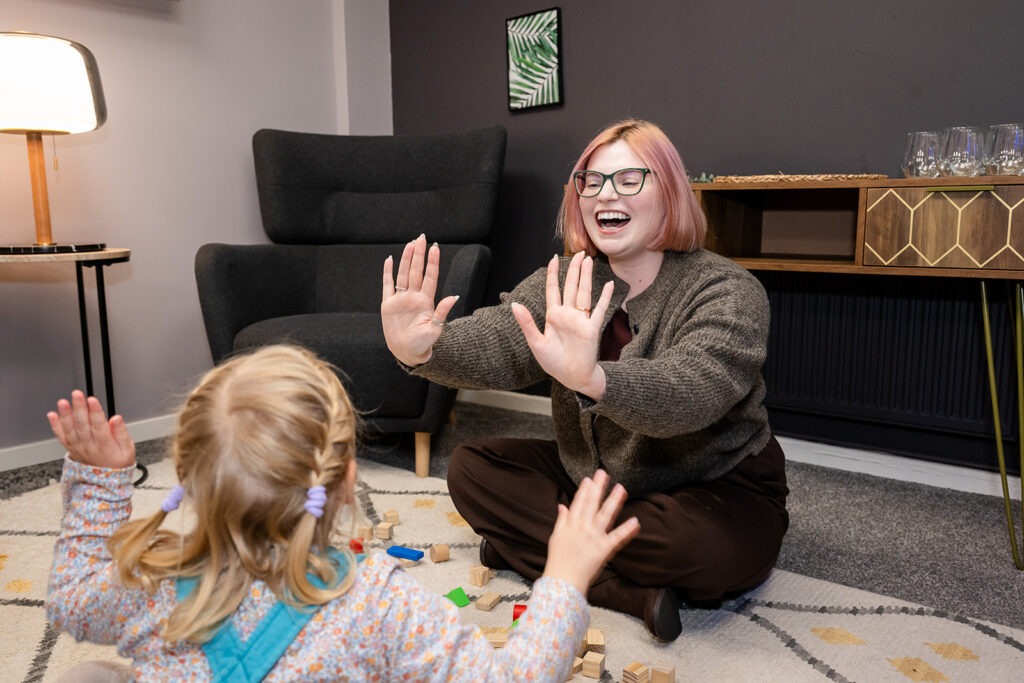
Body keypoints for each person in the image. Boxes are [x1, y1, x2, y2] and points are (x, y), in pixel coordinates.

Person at [380, 118, 790, 643]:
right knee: (470, 469)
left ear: (669, 193)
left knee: (705, 553)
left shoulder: (729, 290)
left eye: (627, 180)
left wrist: (595, 379)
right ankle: (624, 592)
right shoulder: (572, 270)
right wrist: (422, 348)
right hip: (599, 481)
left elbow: (691, 391)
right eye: (591, 182)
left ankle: (532, 551)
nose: (603, 195)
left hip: (711, 485)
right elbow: (502, 339)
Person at [46, 344, 639, 682]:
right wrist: (562, 580)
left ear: (189, 473)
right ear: (347, 477)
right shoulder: (377, 602)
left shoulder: (149, 582)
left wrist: (100, 481)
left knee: (87, 678)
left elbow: (69, 598)